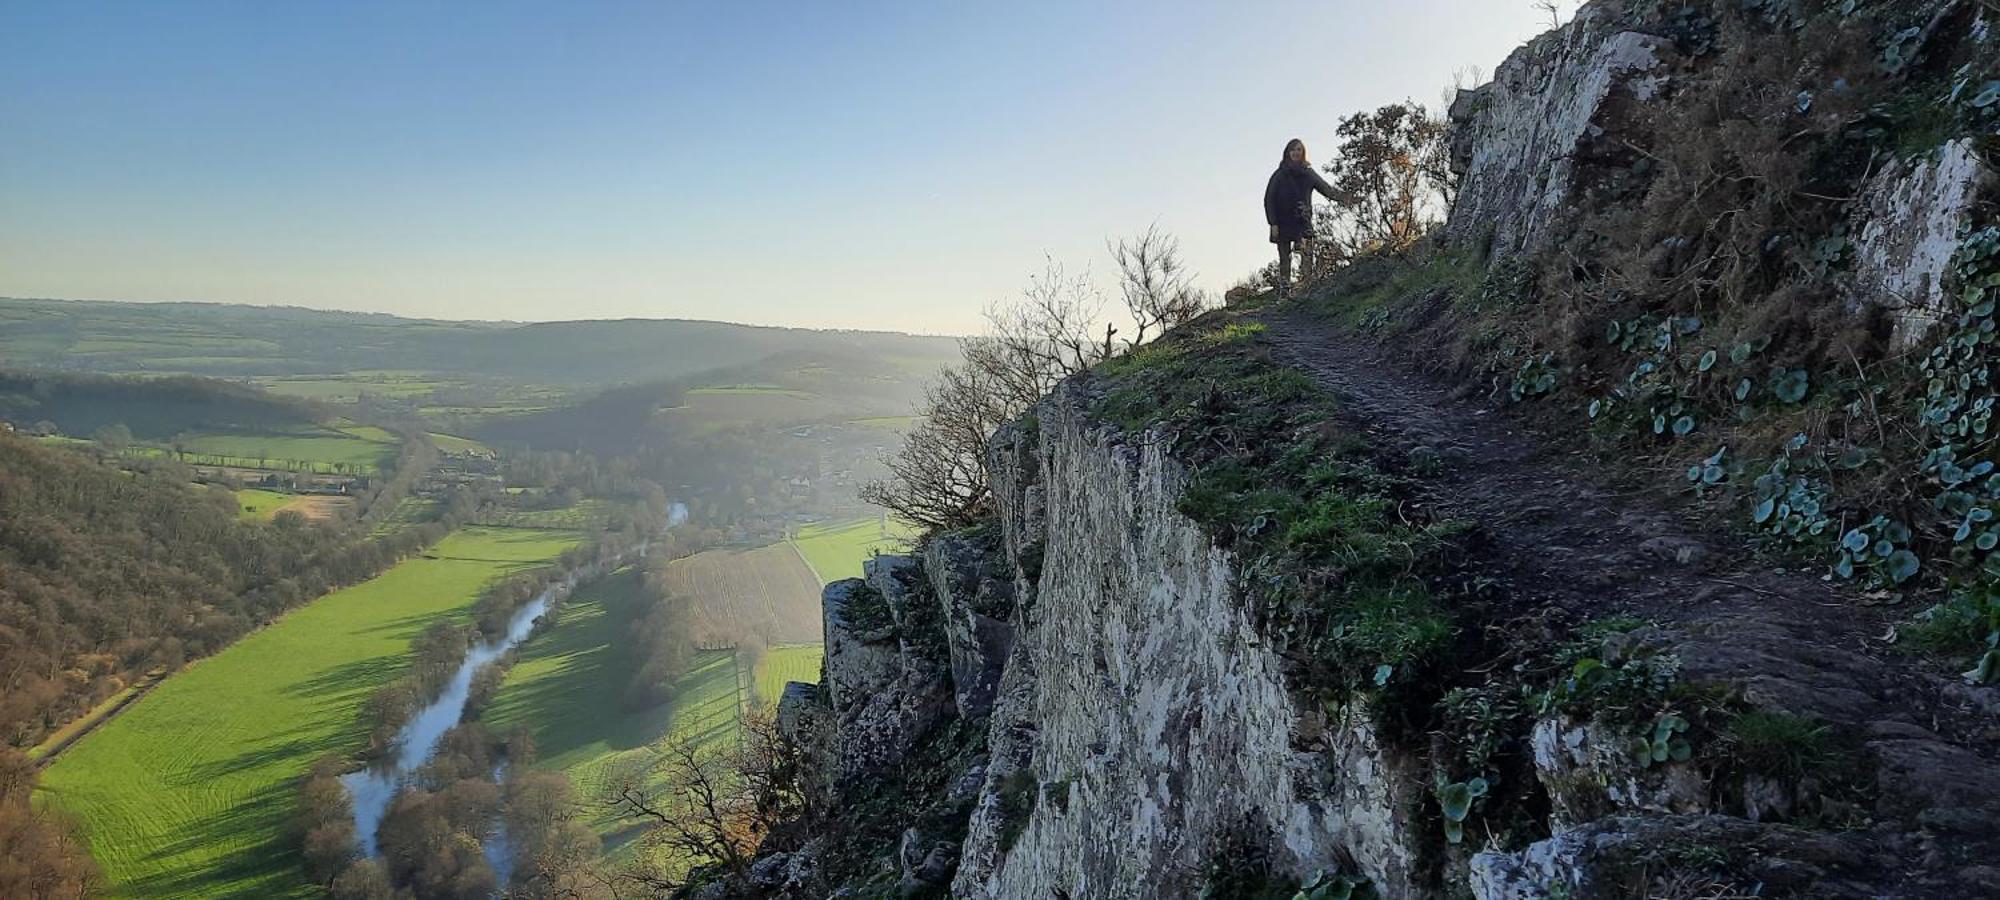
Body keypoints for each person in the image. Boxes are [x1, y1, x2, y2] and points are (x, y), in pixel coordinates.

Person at [1264, 138, 1337, 296]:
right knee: (1284, 257)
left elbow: (1326, 189)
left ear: (1303, 153)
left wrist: (1346, 198)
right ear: (1288, 153)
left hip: (1302, 220)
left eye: (1299, 150)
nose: (1296, 153)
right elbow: (1269, 198)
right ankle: (1285, 291)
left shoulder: (1308, 173)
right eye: (1293, 150)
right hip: (1282, 222)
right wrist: (1273, 223)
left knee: (1306, 254)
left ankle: (1306, 287)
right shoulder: (1279, 174)